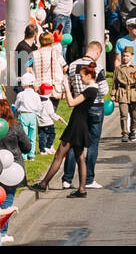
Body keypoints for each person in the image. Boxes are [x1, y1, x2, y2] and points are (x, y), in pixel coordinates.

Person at [32, 63, 99, 198]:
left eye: (82, 77)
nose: (80, 79)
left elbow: (71, 103)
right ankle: (81, 189)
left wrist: (66, 87)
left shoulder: (90, 90)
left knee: (59, 156)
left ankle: (44, 184)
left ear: (89, 75)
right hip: (79, 125)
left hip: (76, 126)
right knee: (80, 158)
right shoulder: (91, 89)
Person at [61, 40, 109, 190]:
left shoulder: (73, 65)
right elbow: (104, 90)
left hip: (79, 107)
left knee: (74, 142)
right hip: (95, 107)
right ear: (96, 52)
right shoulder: (98, 68)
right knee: (93, 144)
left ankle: (67, 179)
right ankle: (88, 179)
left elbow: (68, 83)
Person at [112, 47, 136, 142]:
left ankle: (132, 131)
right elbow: (114, 82)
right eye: (124, 56)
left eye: (127, 56)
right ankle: (124, 133)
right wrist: (113, 93)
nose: (125, 58)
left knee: (134, 114)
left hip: (132, 92)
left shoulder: (135, 68)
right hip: (122, 92)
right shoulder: (118, 69)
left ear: (132, 56)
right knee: (123, 114)